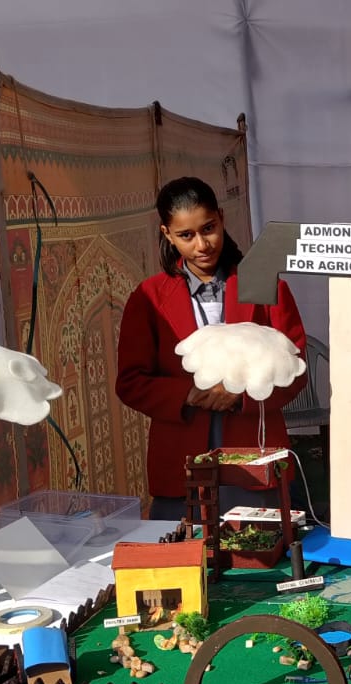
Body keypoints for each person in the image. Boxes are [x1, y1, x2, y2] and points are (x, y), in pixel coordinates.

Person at [117, 177, 307, 521]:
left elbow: (296, 370)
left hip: (254, 450)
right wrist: (189, 394)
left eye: (209, 229)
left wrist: (240, 395)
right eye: (186, 235)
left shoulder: (266, 286)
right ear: (167, 234)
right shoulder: (149, 298)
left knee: (259, 547)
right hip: (180, 457)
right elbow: (131, 382)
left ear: (221, 217)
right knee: (184, 549)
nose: (202, 245)